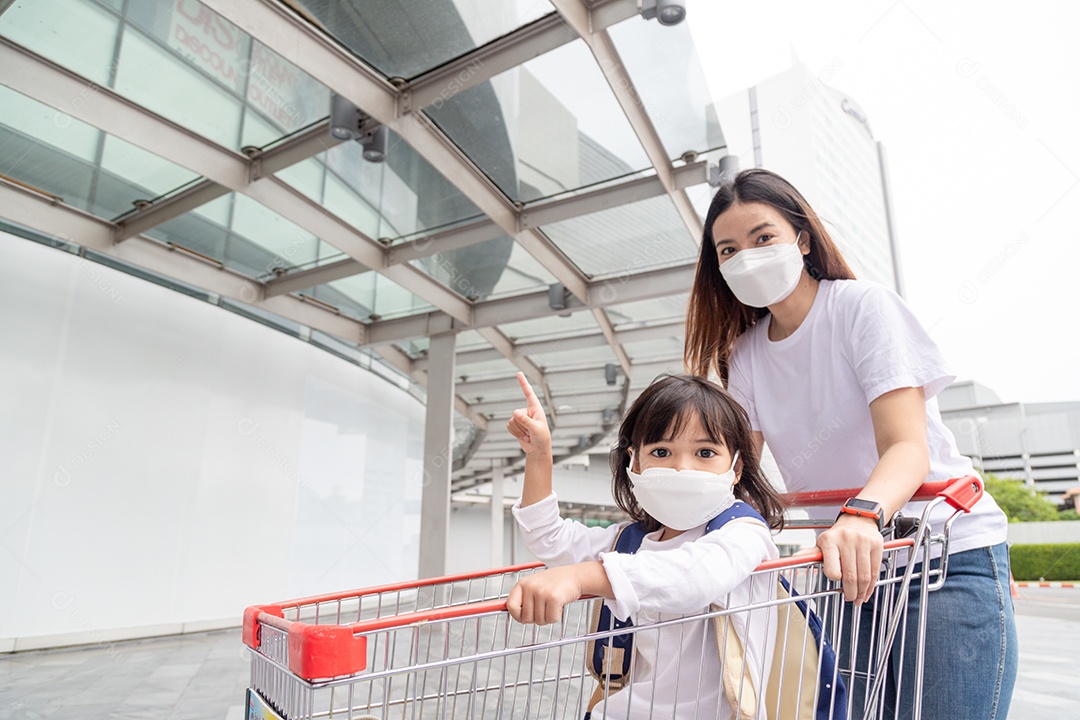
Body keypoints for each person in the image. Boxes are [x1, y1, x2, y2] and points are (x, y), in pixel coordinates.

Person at [683, 168, 1016, 718]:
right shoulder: (743, 357)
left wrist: (861, 514)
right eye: (728, 250)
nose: (747, 257)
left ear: (803, 240)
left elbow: (908, 448)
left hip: (938, 558)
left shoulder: (863, 308)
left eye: (763, 238)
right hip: (845, 570)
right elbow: (736, 473)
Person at [505, 371, 785, 720]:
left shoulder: (743, 533)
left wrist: (580, 577)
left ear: (737, 466)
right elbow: (548, 538)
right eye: (662, 451)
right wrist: (539, 456)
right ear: (634, 462)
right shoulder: (630, 542)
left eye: (705, 452)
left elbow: (693, 579)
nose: (682, 468)